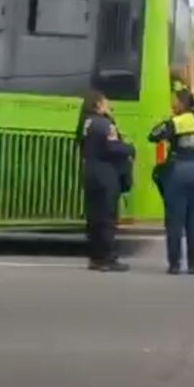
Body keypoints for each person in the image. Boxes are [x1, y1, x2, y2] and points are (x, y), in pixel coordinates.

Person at [148, 79, 194, 275]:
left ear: (181, 104)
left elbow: (153, 135)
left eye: (175, 101)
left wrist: (169, 121)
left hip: (178, 172)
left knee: (175, 220)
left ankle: (174, 264)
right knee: (193, 222)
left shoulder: (176, 121)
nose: (173, 104)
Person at [77, 90, 135, 272]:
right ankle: (106, 258)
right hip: (106, 173)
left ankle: (95, 257)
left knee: (94, 217)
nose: (109, 106)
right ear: (98, 105)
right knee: (107, 217)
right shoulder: (105, 124)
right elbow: (112, 147)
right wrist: (129, 148)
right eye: (106, 103)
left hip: (90, 171)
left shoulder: (84, 122)